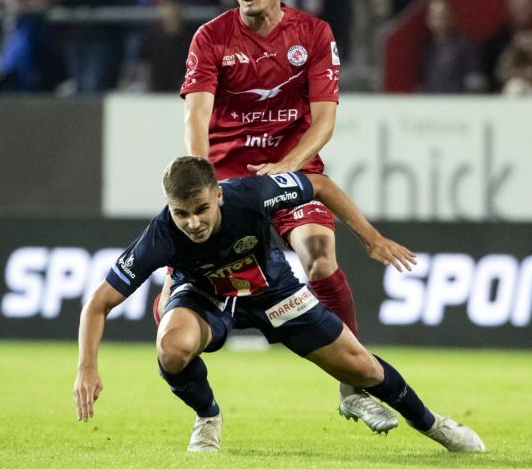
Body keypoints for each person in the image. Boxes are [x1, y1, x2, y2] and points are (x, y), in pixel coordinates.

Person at [165, 0, 398, 433]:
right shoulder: (211, 38)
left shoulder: (313, 34)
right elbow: (196, 114)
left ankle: (353, 388)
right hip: (224, 177)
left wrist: (287, 168)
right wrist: (202, 173)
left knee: (319, 255)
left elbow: (325, 121)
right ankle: (194, 379)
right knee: (200, 283)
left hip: (289, 163)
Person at [74, 156, 486, 454]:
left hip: (272, 289)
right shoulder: (161, 236)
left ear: (218, 195)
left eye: (201, 209)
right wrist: (87, 368)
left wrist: (370, 237)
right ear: (170, 208)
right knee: (172, 347)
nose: (193, 222)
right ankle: (207, 417)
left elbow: (319, 185)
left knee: (363, 368)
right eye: (182, 213)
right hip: (205, 296)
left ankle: (436, 427)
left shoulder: (251, 195)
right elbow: (97, 303)